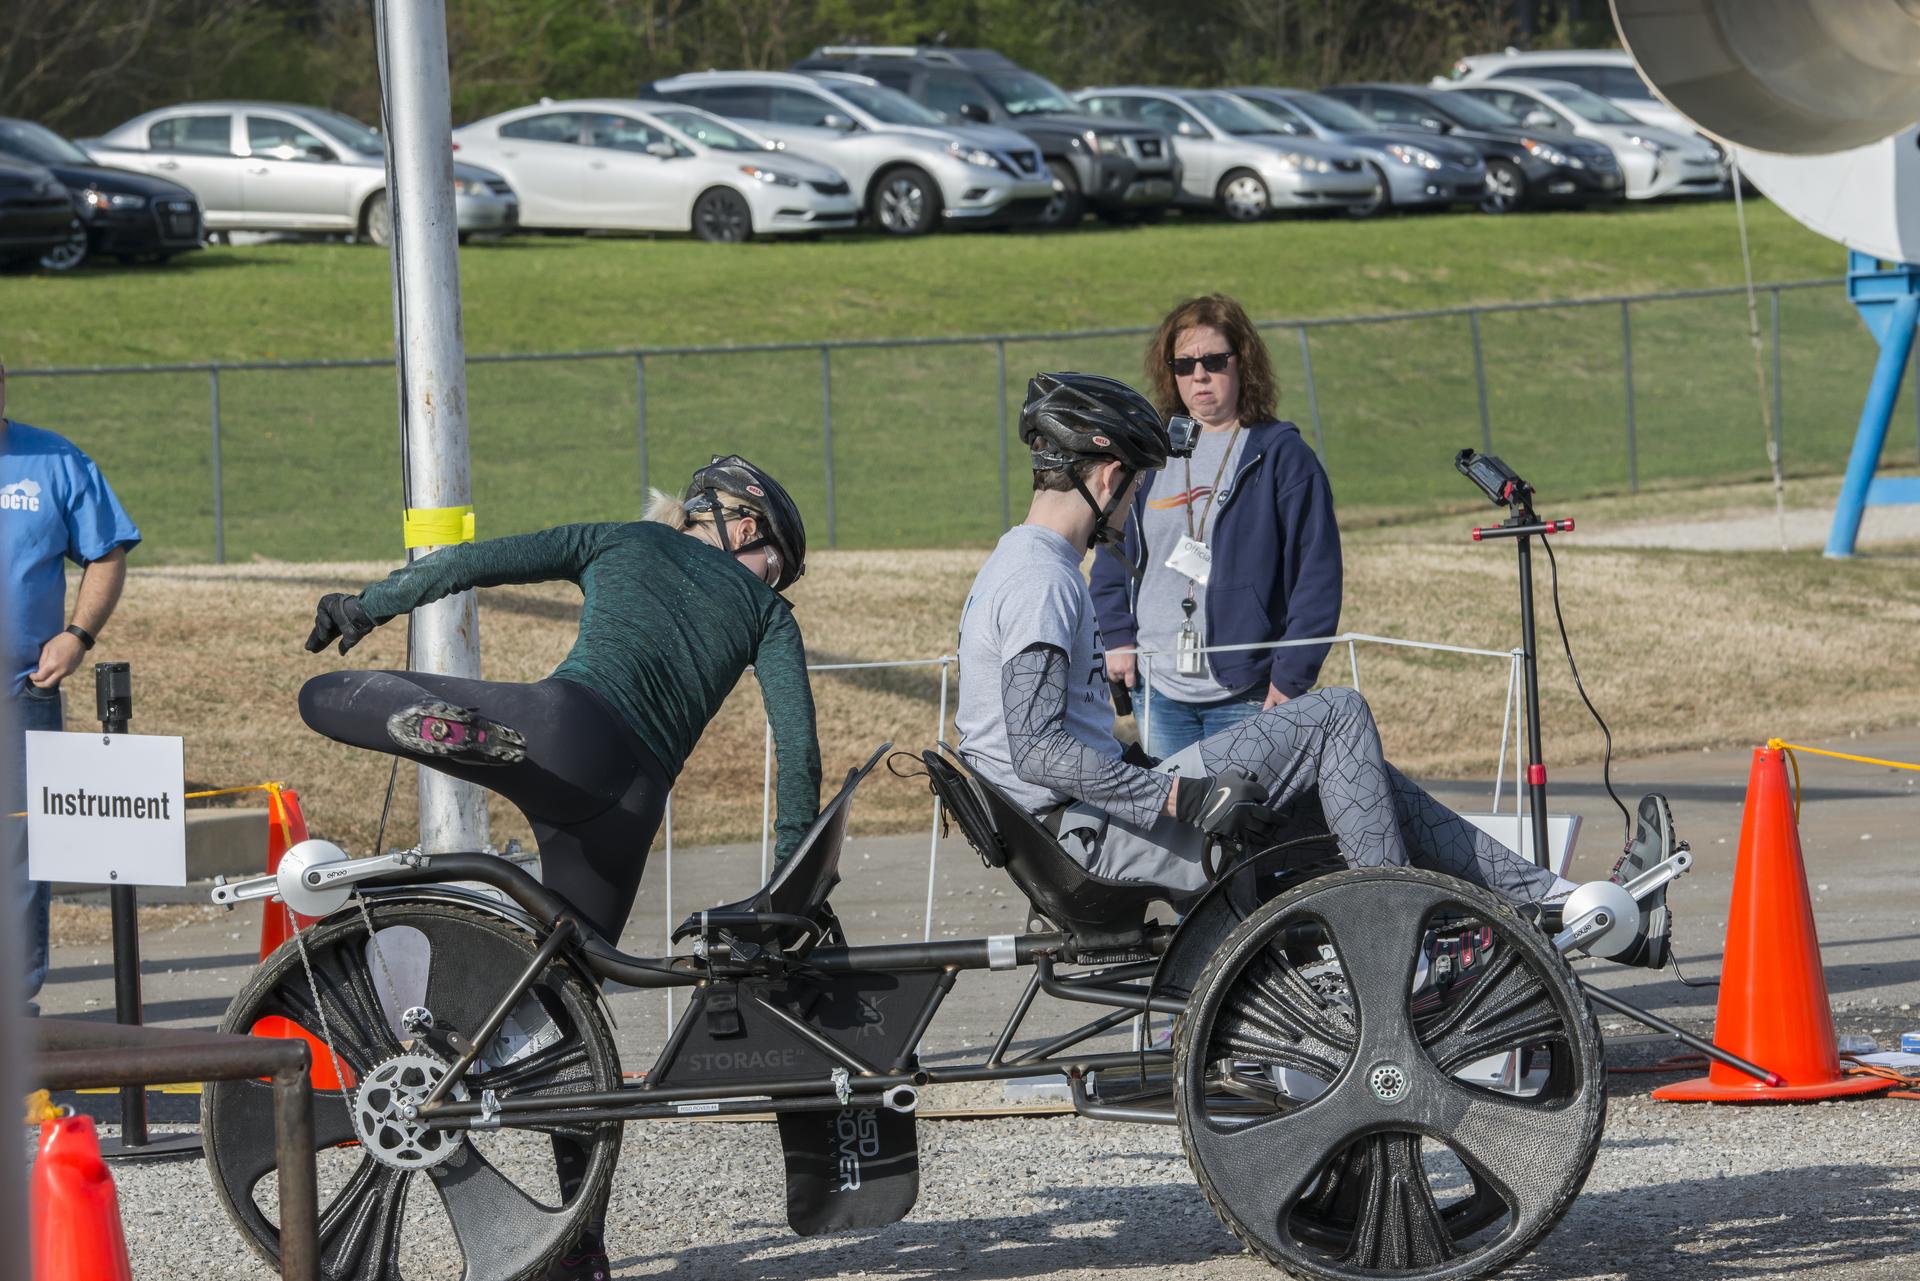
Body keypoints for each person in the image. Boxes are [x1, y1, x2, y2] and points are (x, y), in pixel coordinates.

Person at [955, 371, 1677, 965]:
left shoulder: (1024, 565)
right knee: (1338, 715)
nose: (1137, 502)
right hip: (1091, 840)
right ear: (1111, 476)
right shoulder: (1042, 581)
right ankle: (1391, 946)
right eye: (1140, 485)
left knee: (1361, 781)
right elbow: (1039, 750)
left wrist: (1153, 777)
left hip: (1081, 829)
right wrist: (1177, 796)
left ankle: (1578, 910)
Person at [300, 455, 818, 1281]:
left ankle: (456, 731)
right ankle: (579, 1250)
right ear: (744, 527)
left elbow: (474, 562)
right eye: (777, 565)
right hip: (628, 808)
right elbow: (799, 755)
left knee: (326, 692)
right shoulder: (768, 615)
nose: (774, 580)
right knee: (568, 1028)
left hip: (559, 730)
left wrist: (366, 604)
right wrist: (787, 881)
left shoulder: (619, 541)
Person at [1093, 293, 1341, 759]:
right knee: (1172, 806)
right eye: (1184, 365)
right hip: (1157, 686)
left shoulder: (1282, 456)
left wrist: (1292, 677)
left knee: (1246, 808)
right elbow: (1113, 550)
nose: (1199, 375)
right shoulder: (1149, 454)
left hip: (1249, 691)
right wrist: (1116, 636)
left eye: (1213, 361)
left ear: (1243, 362)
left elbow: (1317, 577)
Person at [0, 358, 141, 1016]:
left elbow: (106, 552)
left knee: (19, 850)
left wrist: (77, 635)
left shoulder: (55, 460)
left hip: (21, 690)